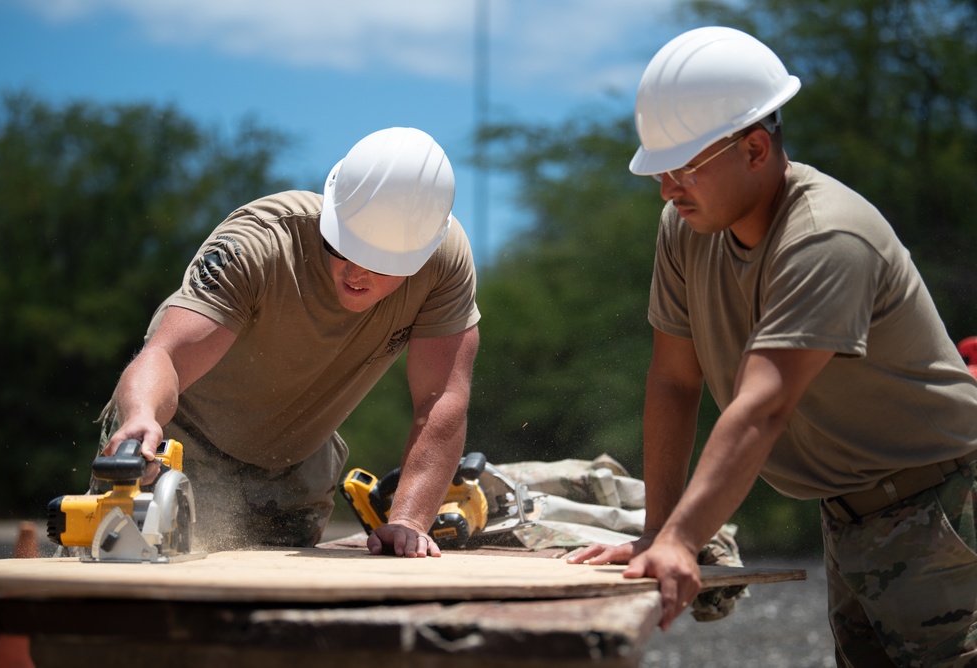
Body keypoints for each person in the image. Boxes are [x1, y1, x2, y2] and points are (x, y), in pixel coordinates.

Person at [567, 26, 977, 666]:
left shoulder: (826, 237)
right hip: (850, 514)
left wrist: (683, 540)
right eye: (659, 170)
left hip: (946, 510)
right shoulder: (685, 227)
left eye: (685, 168)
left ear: (755, 149)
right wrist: (659, 530)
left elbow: (763, 406)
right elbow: (675, 380)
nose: (668, 188)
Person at [98, 127, 481, 558]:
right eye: (343, 247)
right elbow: (166, 355)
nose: (355, 273)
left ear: (422, 254)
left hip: (297, 465)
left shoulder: (444, 264)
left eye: (379, 264)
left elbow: (442, 399)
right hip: (176, 452)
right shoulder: (260, 242)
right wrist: (141, 417)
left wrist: (409, 520)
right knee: (127, 590)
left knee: (279, 615)